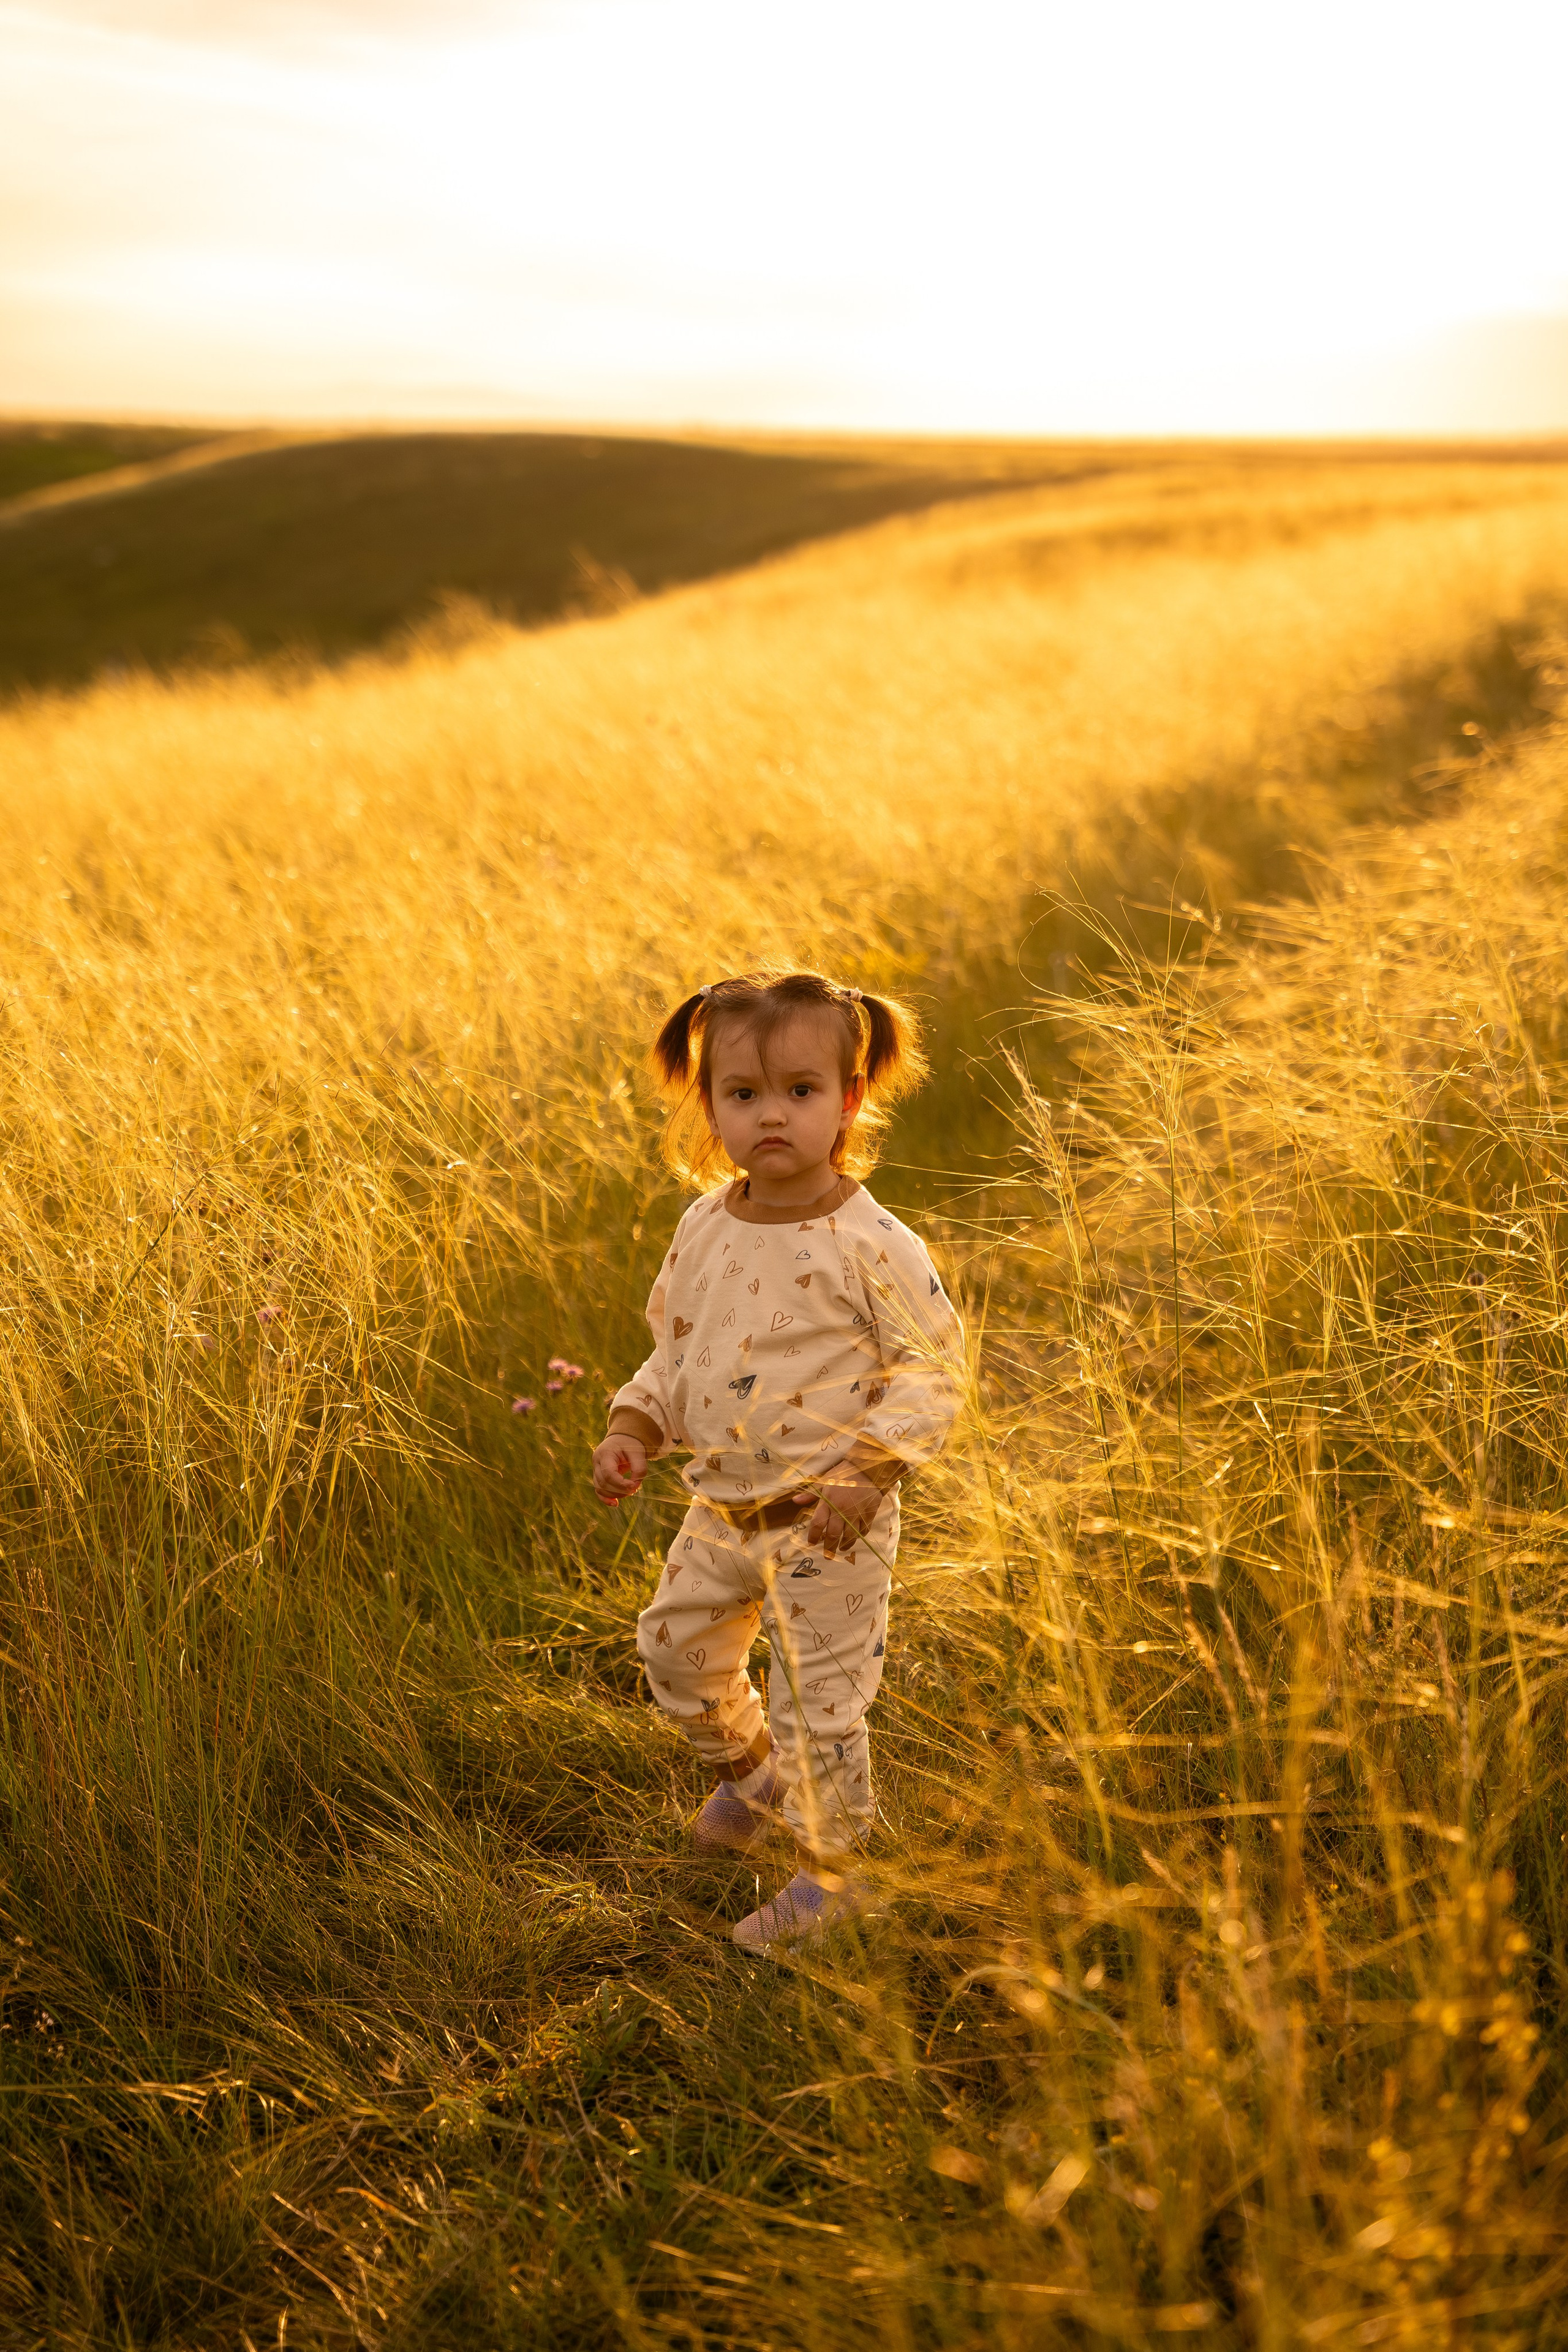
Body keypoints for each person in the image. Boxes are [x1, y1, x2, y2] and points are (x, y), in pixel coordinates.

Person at [591, 969, 965, 1951]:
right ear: (708, 1105)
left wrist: (868, 1473)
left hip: (828, 1519)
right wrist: (635, 1427)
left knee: (821, 1709)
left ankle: (836, 1874)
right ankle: (753, 1783)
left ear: (848, 1099)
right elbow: (679, 1350)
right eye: (743, 1094)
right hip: (721, 1506)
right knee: (674, 1653)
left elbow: (933, 1372)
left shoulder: (871, 1241)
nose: (771, 1116)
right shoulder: (705, 1225)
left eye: (800, 1092)